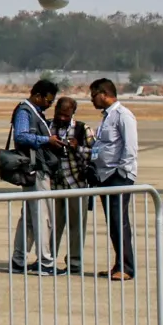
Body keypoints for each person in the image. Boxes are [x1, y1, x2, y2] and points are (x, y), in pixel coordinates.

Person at [7, 79, 62, 275]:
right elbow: (21, 136)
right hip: (35, 170)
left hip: (37, 169)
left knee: (30, 218)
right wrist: (47, 140)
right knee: (41, 216)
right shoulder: (25, 111)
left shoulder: (35, 112)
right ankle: (45, 262)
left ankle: (18, 259)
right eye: (48, 100)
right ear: (37, 95)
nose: (49, 104)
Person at [88, 77, 140, 280]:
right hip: (104, 176)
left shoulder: (123, 115)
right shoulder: (107, 117)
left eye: (94, 95)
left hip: (117, 177)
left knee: (120, 222)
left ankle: (126, 268)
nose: (92, 100)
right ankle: (118, 264)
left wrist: (122, 172)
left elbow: (130, 147)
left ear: (104, 94)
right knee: (113, 224)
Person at [47, 94, 91, 274]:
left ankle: (74, 263)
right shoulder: (48, 127)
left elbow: (94, 153)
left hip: (77, 185)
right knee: (52, 226)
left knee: (77, 227)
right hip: (54, 185)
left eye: (67, 115)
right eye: (60, 114)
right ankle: (48, 261)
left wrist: (77, 148)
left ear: (73, 113)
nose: (62, 118)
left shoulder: (82, 129)